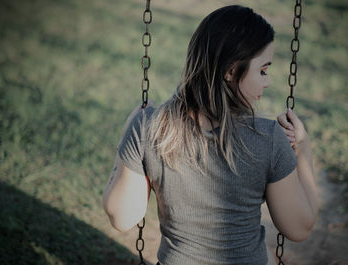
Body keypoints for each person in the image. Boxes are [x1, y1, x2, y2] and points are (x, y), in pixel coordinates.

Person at [102, 5, 319, 265]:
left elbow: (122, 217)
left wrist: (130, 131)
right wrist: (303, 150)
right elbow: (299, 228)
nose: (267, 81)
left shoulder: (151, 127)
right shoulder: (269, 138)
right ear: (230, 71)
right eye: (262, 70)